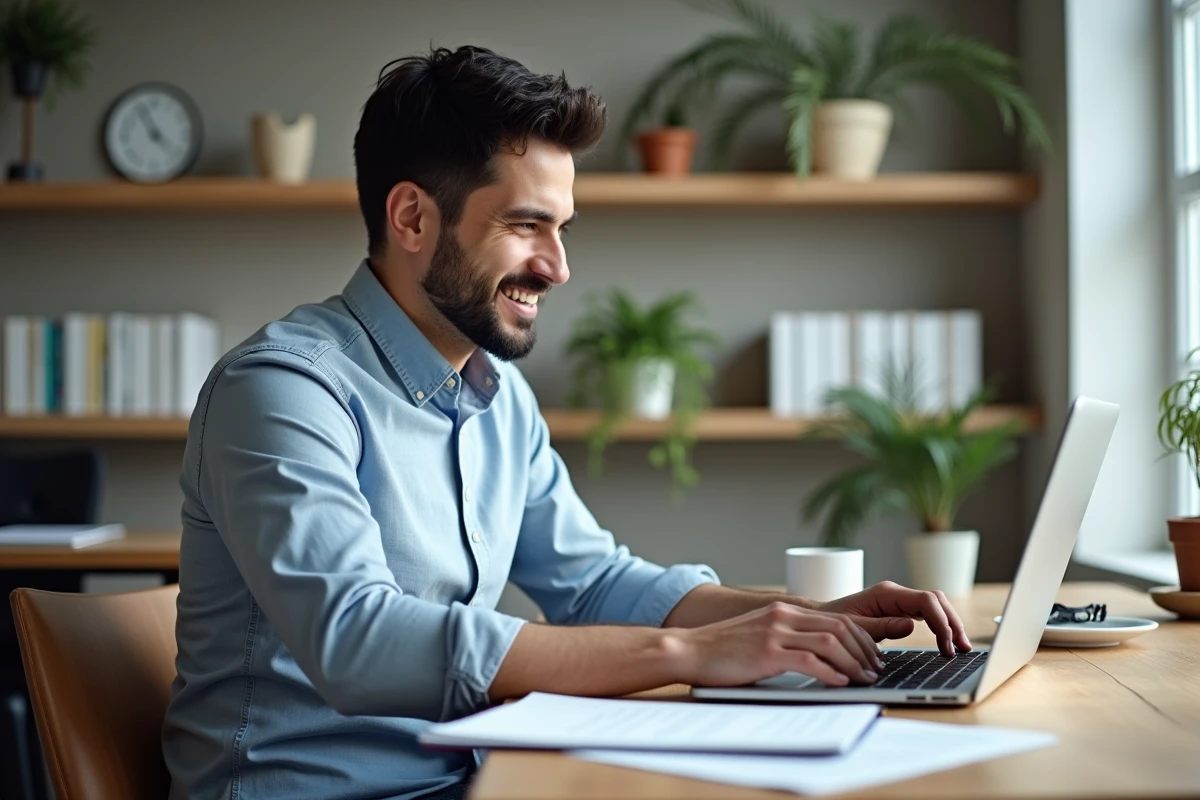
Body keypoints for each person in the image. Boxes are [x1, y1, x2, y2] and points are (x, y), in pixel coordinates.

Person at [161, 45, 972, 800]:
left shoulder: (497, 395)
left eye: (561, 228)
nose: (557, 266)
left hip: (468, 779)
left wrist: (801, 620)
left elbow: (594, 586)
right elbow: (358, 641)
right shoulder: (281, 391)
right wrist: (690, 655)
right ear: (411, 218)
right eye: (524, 225)